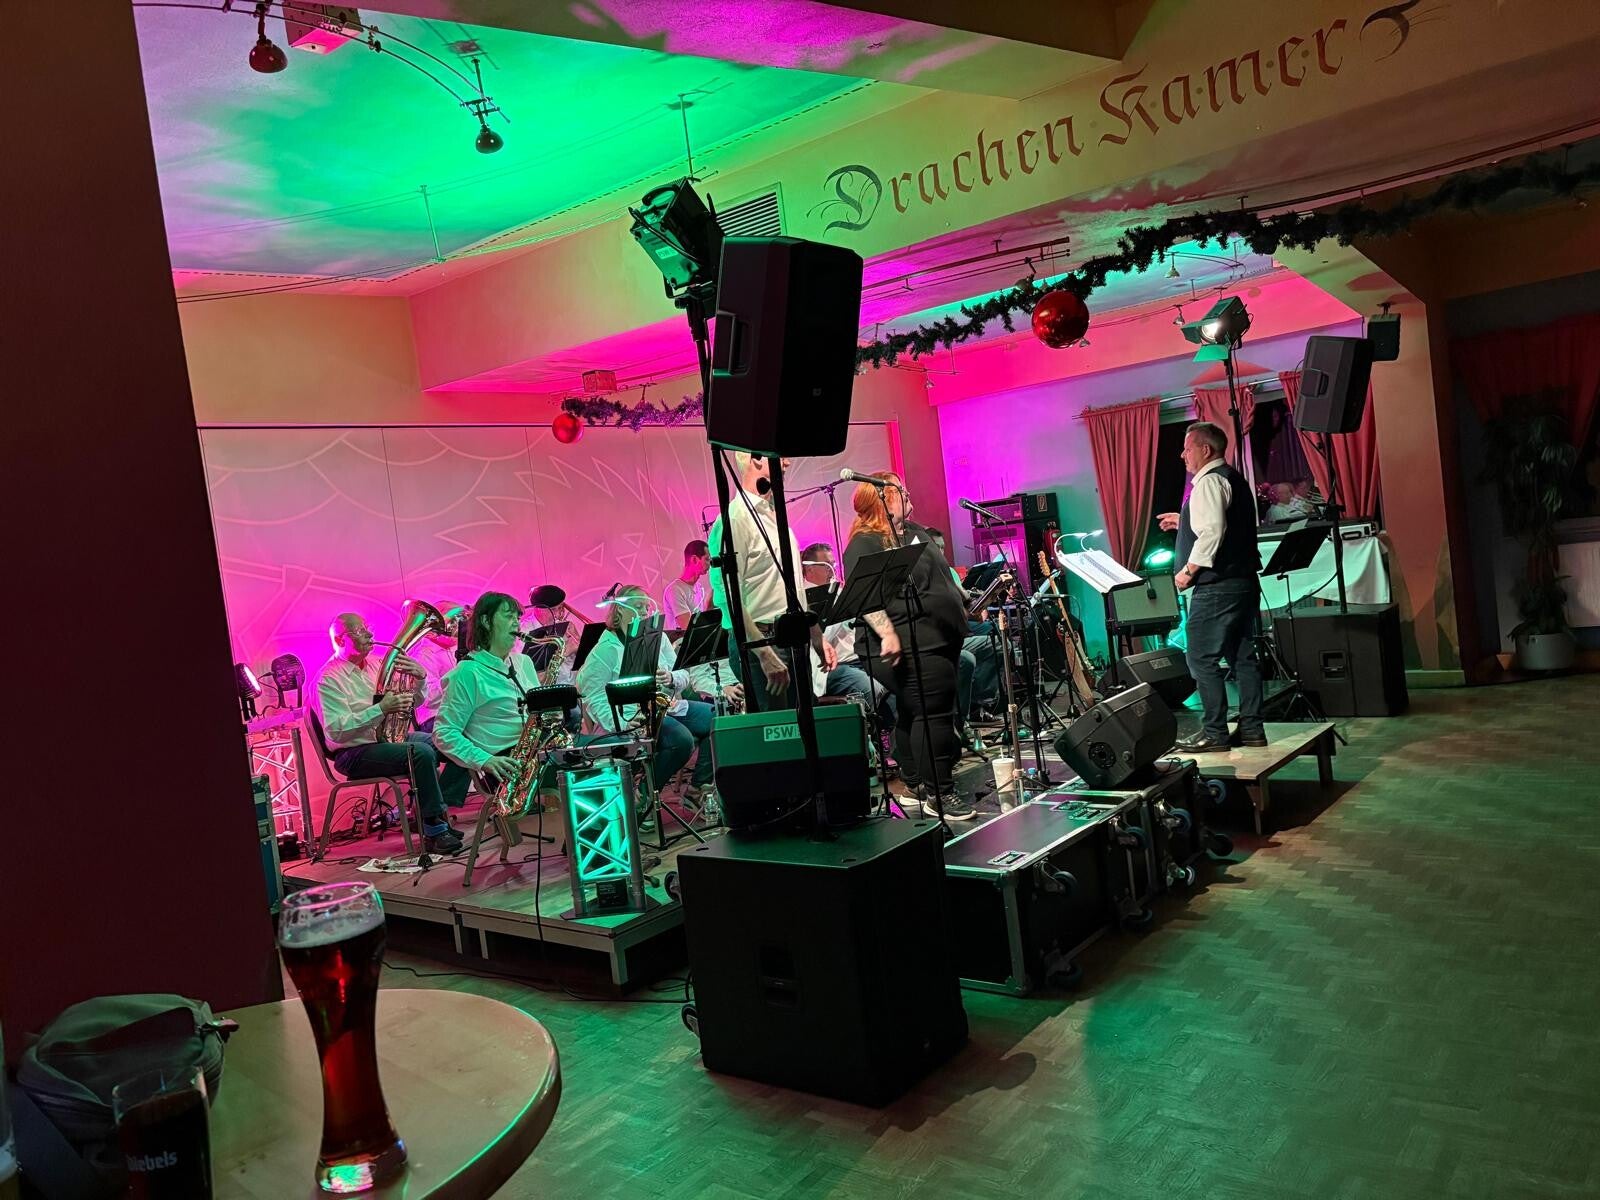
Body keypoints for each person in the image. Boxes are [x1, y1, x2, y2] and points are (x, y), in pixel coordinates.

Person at [842, 475, 975, 820]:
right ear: (883, 499)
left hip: (939, 636)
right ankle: (940, 793)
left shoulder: (914, 531)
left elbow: (939, 573)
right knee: (932, 713)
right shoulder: (865, 542)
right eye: (900, 490)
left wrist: (959, 597)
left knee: (915, 710)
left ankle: (915, 783)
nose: (907, 493)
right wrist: (888, 633)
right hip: (905, 641)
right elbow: (867, 598)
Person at [1157, 421, 1266, 752]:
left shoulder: (1208, 481)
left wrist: (1187, 572)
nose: (1182, 455)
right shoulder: (1232, 478)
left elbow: (1213, 533)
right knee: (1242, 657)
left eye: (1187, 448)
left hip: (1218, 586)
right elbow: (1224, 524)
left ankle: (1215, 733)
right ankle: (1252, 730)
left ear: (1205, 450)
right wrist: (1184, 521)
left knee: (1201, 659)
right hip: (1243, 582)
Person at [314, 613, 463, 854]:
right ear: (340, 640)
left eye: (368, 627)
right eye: (359, 631)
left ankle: (432, 811)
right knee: (421, 753)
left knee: (451, 741)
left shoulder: (378, 664)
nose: (369, 634)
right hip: (353, 752)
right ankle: (434, 829)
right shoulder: (328, 679)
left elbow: (414, 702)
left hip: (387, 739)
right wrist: (381, 709)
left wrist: (420, 679)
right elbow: (336, 731)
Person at [575, 585, 728, 801]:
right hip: (634, 717)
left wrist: (671, 677)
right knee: (682, 741)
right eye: (638, 607)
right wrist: (620, 723)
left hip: (667, 707)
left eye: (646, 607)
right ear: (620, 610)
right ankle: (645, 796)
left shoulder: (659, 638)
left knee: (720, 718)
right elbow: (593, 694)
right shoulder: (605, 650)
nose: (644, 612)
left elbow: (684, 673)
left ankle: (697, 787)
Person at [707, 453, 834, 710]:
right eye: (780, 456)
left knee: (804, 722)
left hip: (791, 636)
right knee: (779, 728)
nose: (787, 462)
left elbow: (791, 585)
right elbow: (728, 597)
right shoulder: (736, 518)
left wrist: (815, 633)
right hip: (763, 640)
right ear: (755, 459)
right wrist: (764, 653)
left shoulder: (774, 515)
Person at [431, 592, 548, 804]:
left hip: (538, 750)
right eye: (508, 616)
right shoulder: (466, 673)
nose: (516, 622)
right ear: (485, 621)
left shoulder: (524, 662)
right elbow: (444, 733)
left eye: (517, 617)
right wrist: (484, 760)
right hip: (507, 764)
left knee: (599, 753)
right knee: (590, 767)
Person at [801, 543, 895, 723]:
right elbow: (818, 639)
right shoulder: (805, 598)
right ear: (809, 568)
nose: (832, 570)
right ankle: (868, 733)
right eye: (827, 565)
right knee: (870, 687)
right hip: (834, 667)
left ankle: (893, 734)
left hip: (860, 657)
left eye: (834, 564)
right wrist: (843, 613)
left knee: (895, 676)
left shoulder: (838, 591)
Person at [663, 540, 711, 631]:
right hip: (682, 639)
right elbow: (687, 628)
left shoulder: (699, 587)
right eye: (707, 559)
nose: (710, 564)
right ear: (694, 559)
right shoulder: (675, 590)